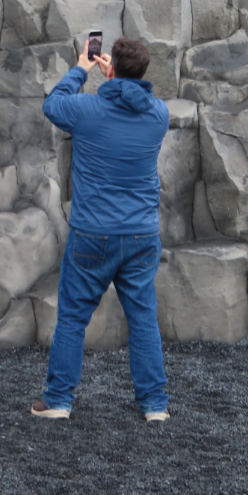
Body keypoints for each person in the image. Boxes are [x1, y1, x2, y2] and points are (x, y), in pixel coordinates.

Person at [32, 38, 170, 423]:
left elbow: (52, 104)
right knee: (143, 319)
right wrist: (117, 77)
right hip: (142, 236)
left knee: (74, 318)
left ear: (111, 69)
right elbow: (131, 100)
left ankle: (58, 400)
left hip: (93, 234)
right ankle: (155, 406)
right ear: (143, 73)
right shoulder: (159, 114)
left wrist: (82, 68)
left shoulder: (86, 109)